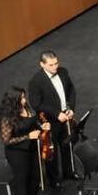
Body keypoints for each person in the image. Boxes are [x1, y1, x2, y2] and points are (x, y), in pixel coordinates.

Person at [0, 87, 50, 195]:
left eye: (24, 97)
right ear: (14, 101)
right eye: (21, 98)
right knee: (23, 179)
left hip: (32, 149)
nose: (24, 100)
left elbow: (33, 122)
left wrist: (41, 126)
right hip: (17, 153)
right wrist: (28, 137)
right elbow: (7, 140)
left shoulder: (26, 108)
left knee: (36, 177)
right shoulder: (7, 117)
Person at [28, 50, 77, 185]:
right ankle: (54, 180)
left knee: (67, 145)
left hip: (65, 115)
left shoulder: (63, 72)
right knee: (52, 150)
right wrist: (56, 114)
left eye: (56, 63)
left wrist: (71, 108)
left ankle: (69, 172)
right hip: (50, 120)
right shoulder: (36, 82)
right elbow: (36, 104)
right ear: (42, 65)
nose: (55, 67)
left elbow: (71, 90)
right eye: (51, 65)